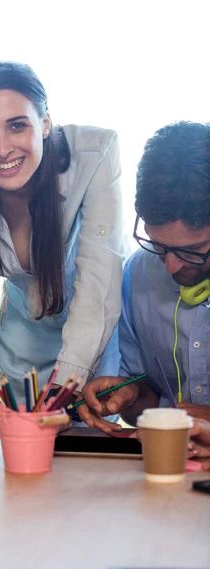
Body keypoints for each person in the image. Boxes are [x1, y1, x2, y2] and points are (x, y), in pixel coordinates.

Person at [0, 60, 124, 430]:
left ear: (45, 122)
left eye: (17, 125)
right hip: (21, 346)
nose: (2, 149)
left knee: (87, 464)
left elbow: (98, 289)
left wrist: (64, 389)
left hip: (93, 333)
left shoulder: (95, 153)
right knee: (21, 473)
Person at [79, 121, 210, 434]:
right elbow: (146, 408)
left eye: (193, 250)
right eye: (159, 246)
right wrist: (133, 394)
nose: (171, 267)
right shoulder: (137, 275)